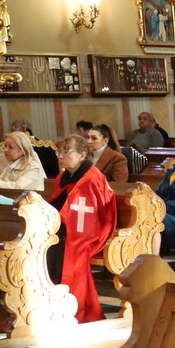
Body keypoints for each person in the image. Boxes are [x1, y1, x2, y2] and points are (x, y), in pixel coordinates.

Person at [47, 135, 116, 323]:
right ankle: (50, 302)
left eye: (65, 152)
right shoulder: (63, 177)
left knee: (68, 247)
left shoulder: (91, 178)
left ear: (82, 155)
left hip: (89, 231)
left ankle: (72, 306)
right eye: (59, 152)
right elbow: (57, 204)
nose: (60, 156)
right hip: (70, 227)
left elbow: (94, 214)